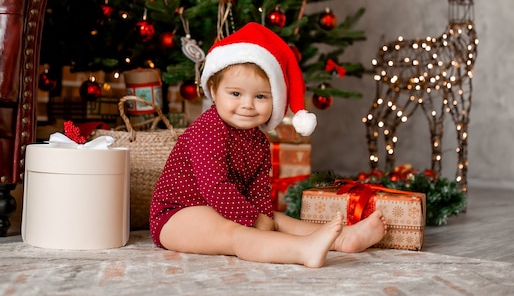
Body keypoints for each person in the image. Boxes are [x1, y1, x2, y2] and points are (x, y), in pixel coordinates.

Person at [149, 22, 387, 268]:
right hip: (177, 215)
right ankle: (302, 250)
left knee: (275, 219)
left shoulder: (259, 141)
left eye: (260, 96)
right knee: (235, 233)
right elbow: (215, 186)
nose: (247, 105)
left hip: (225, 207)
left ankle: (343, 238)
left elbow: (259, 189)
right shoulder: (208, 130)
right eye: (236, 94)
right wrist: (253, 219)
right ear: (213, 90)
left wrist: (264, 217)